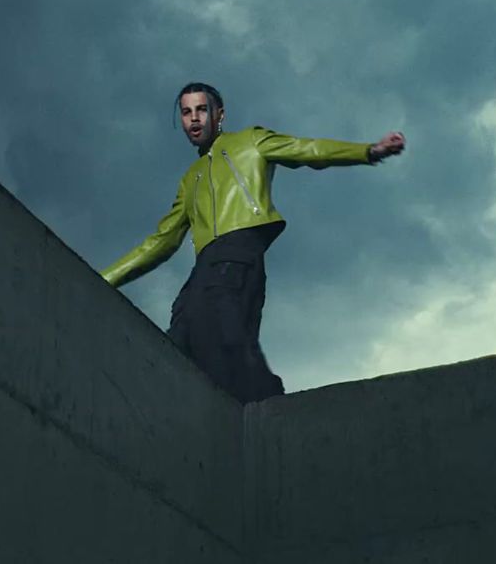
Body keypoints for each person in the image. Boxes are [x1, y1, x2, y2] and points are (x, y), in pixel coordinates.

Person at [102, 82, 406, 403]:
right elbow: (161, 242)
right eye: (186, 112)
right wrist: (105, 279)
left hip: (238, 252)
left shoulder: (249, 141)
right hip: (204, 267)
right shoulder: (190, 179)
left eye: (202, 110)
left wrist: (368, 151)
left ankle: (271, 404)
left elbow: (307, 149)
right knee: (182, 333)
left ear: (219, 114)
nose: (194, 119)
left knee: (225, 329)